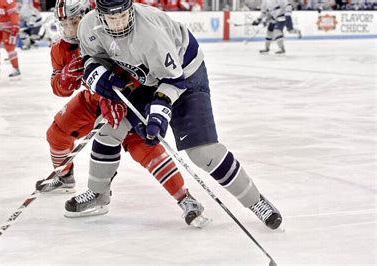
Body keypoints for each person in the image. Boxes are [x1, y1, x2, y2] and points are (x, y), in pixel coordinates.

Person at [74, 0, 282, 230]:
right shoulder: (88, 26)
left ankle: (257, 202)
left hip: (185, 75)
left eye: (123, 15)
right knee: (109, 130)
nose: (119, 23)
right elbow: (92, 58)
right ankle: (98, 193)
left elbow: (173, 80)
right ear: (99, 15)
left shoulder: (150, 33)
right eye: (112, 18)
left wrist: (159, 113)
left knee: (203, 152)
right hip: (144, 76)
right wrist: (96, 73)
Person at [37, 0, 209, 227]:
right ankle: (64, 176)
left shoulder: (109, 33)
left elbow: (138, 71)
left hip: (124, 101)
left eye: (75, 22)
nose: (70, 30)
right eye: (65, 24)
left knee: (144, 147)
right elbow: (58, 87)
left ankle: (184, 197)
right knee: (57, 133)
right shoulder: (60, 48)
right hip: (92, 101)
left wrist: (120, 96)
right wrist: (66, 78)